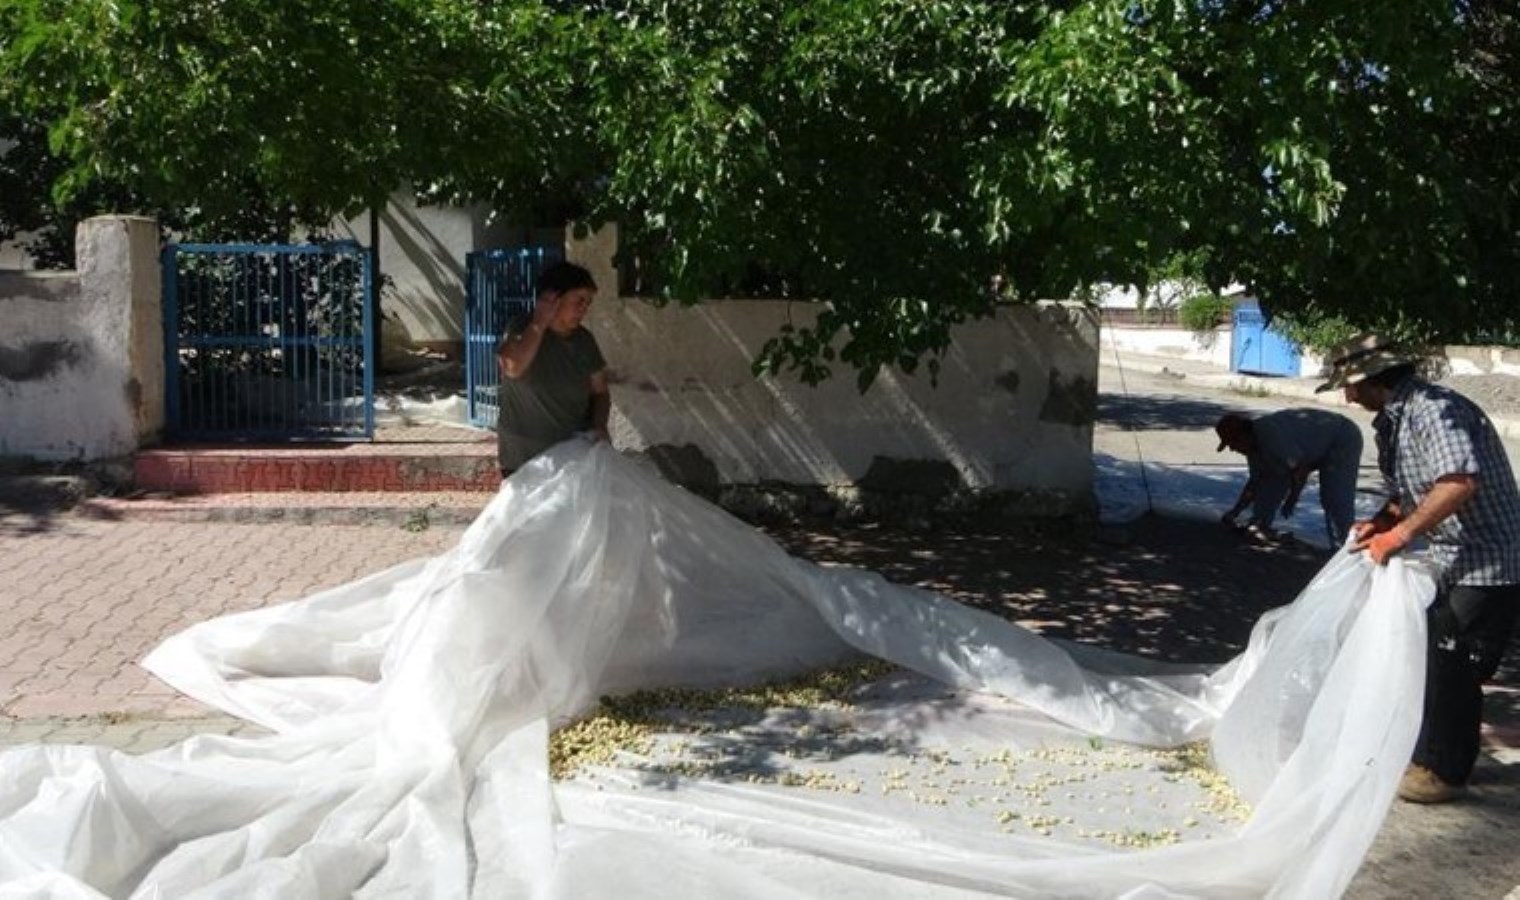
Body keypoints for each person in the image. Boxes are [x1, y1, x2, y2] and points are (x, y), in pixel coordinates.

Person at [1319, 333, 1520, 803]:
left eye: (1350, 386)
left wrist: (1401, 535)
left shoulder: (1432, 409)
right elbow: (1412, 491)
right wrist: (1381, 521)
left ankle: (1444, 772)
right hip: (1453, 557)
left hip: (1489, 561)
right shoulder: (1393, 421)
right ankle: (1428, 750)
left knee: (1455, 661)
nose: (1348, 395)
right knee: (1434, 650)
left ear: (1372, 380)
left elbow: (1457, 483)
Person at [495, 261, 611, 474]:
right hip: (523, 458)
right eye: (579, 300)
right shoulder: (521, 329)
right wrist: (539, 322)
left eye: (588, 303)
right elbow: (513, 367)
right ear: (552, 300)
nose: (584, 308)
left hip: (571, 458)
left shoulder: (584, 340)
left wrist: (599, 424)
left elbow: (600, 392)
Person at [1215, 408, 1364, 546]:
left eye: (1233, 443)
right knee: (1271, 478)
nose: (1233, 449)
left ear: (1244, 435)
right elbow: (1255, 484)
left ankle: (1344, 547)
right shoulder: (1254, 449)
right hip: (1310, 448)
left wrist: (1292, 499)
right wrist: (1234, 512)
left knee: (1334, 497)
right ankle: (1260, 525)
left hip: (1341, 438)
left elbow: (1300, 470)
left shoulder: (1272, 437)